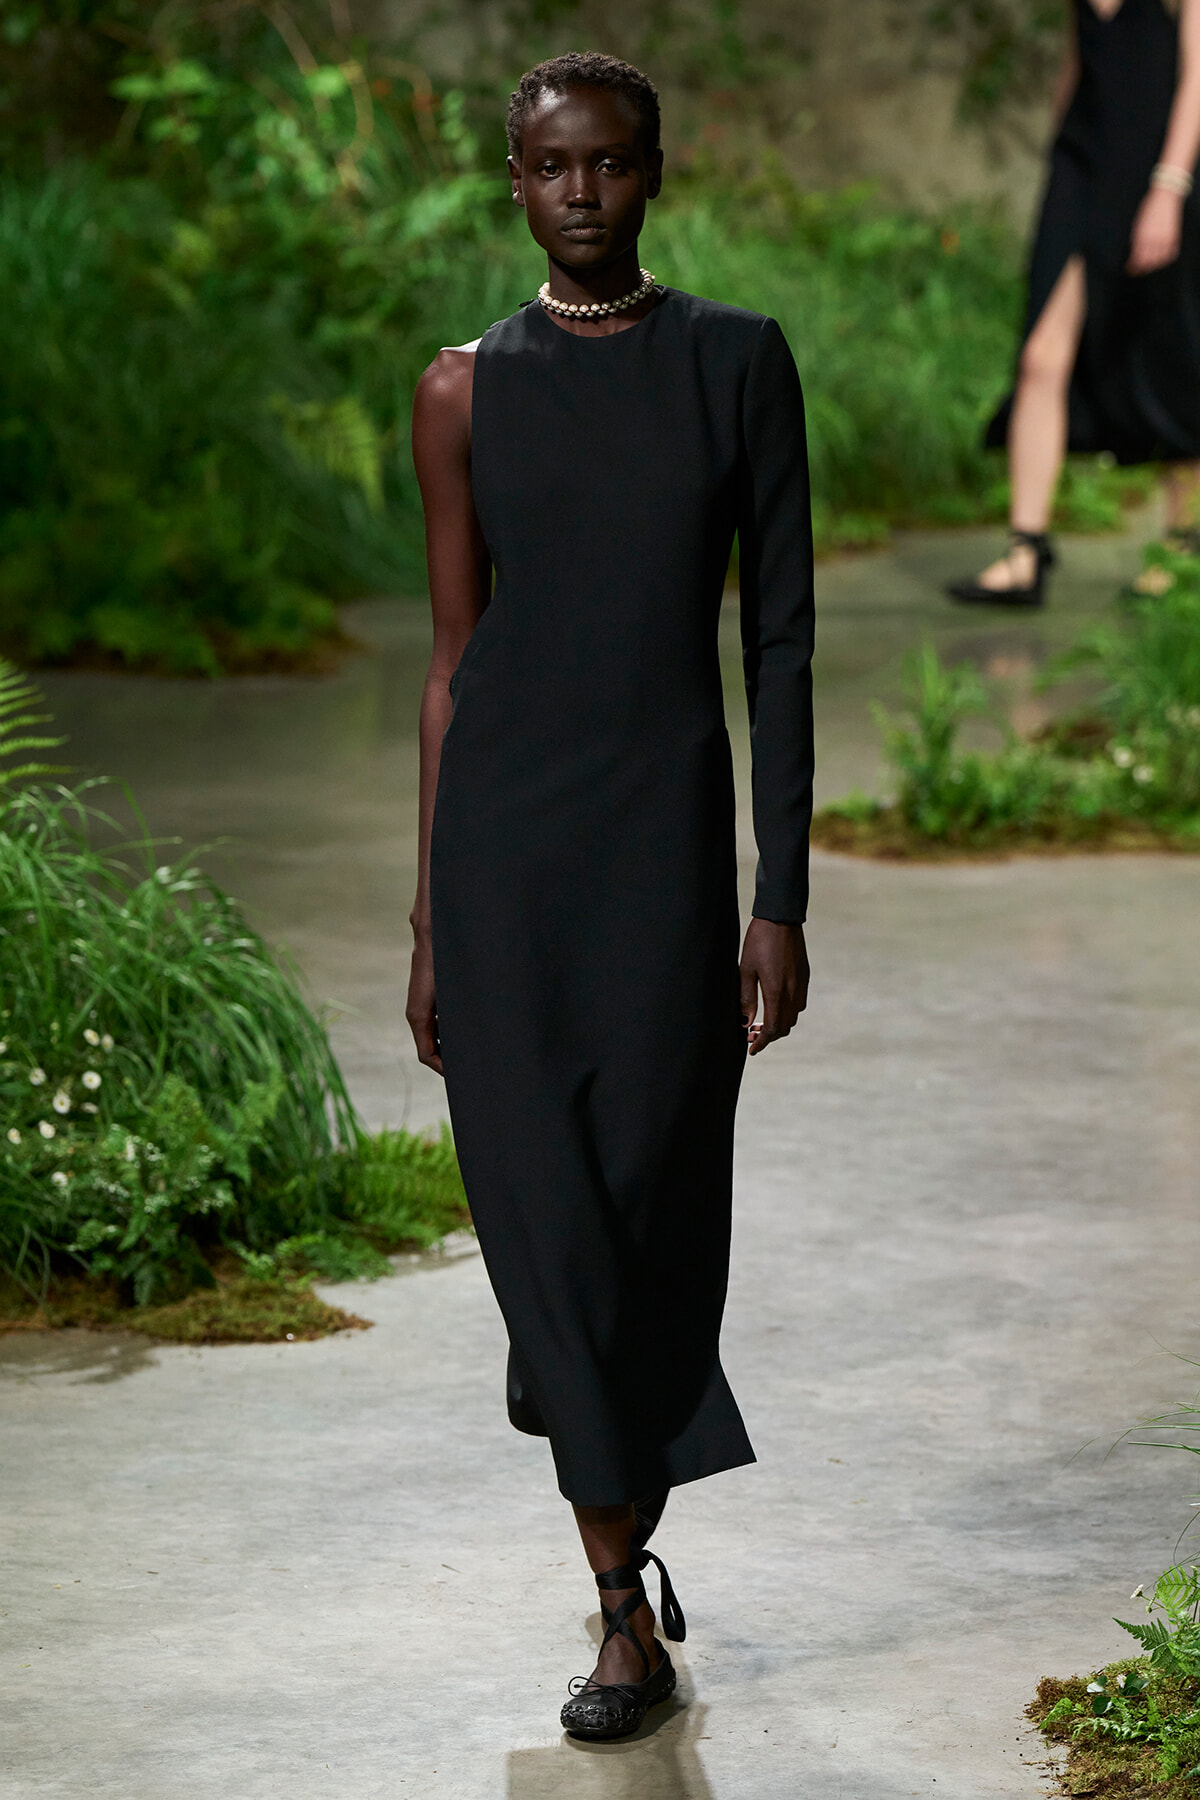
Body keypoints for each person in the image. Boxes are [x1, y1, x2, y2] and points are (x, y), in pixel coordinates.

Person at [406, 52, 814, 1741]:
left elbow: (777, 642)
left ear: (657, 174)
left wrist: (777, 896)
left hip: (661, 856)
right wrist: (429, 914)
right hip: (504, 866)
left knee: (650, 1214)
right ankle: (614, 1611)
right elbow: (450, 661)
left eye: (613, 164)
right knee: (543, 1228)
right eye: (553, 167)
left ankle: (628, 1530)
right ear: (514, 181)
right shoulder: (460, 393)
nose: (582, 191)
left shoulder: (737, 367)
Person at [948, 0, 1200, 609]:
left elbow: (1197, 78)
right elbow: (1079, 64)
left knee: (1170, 359)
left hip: (1161, 171)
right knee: (1040, 356)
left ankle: (1181, 548)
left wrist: (1169, 187)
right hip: (1083, 169)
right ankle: (1025, 553)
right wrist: (1059, 160)